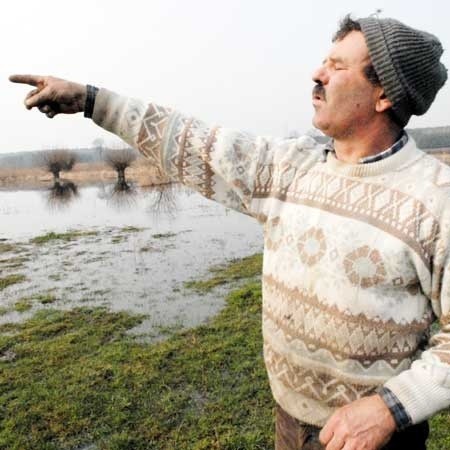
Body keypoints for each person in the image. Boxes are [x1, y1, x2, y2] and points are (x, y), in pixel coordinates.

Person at [9, 14, 450, 450]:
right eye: (323, 62)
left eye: (337, 66)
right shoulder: (288, 170)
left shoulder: (436, 200)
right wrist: (92, 100)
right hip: (289, 423)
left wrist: (389, 408)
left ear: (384, 95)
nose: (317, 74)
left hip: (375, 438)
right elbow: (192, 141)